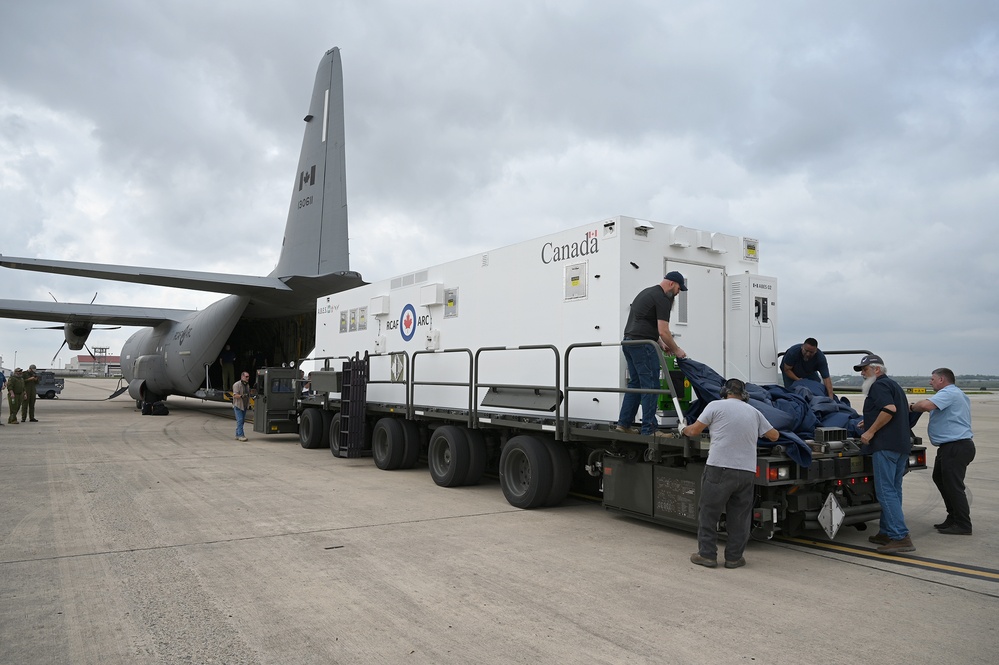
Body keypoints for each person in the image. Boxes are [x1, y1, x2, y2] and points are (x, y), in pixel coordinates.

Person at [682, 378, 779, 569]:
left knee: (709, 512)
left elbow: (694, 431)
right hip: (746, 472)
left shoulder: (715, 406)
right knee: (740, 516)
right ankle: (734, 558)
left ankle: (707, 555)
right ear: (745, 395)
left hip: (719, 468)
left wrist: (683, 429)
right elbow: (774, 435)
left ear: (724, 392)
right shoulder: (754, 412)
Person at [616, 271, 688, 438]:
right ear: (671, 284)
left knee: (636, 384)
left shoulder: (647, 292)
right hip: (643, 345)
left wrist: (661, 344)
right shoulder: (662, 298)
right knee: (651, 386)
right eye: (678, 288)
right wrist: (677, 350)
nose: (678, 293)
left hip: (629, 342)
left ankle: (624, 424)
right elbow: (664, 330)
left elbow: (644, 322)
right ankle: (650, 429)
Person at [855, 354, 915, 554]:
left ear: (877, 370)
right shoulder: (894, 385)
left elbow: (889, 409)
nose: (863, 374)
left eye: (865, 370)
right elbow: (900, 410)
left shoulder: (878, 386)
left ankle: (900, 537)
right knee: (894, 490)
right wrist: (870, 419)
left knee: (885, 491)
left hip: (886, 446)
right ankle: (887, 532)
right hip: (901, 445)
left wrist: (870, 431)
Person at [910, 368, 975, 535]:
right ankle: (953, 517)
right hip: (951, 447)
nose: (930, 382)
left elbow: (925, 405)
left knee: (953, 485)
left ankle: (963, 524)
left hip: (956, 446)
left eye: (932, 379)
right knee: (940, 478)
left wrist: (910, 407)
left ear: (941, 380)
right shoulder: (954, 394)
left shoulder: (949, 393)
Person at [232, 371, 253, 442]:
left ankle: (237, 434)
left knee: (242, 421)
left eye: (248, 377)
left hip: (244, 405)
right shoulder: (236, 385)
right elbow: (235, 395)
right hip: (238, 405)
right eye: (246, 377)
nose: (247, 378)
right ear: (242, 377)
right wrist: (241, 396)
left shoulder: (247, 385)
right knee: (240, 420)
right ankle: (241, 435)